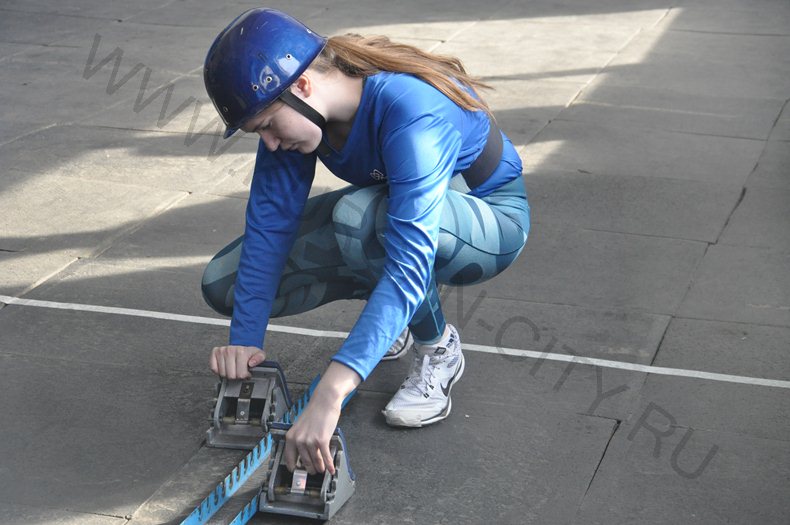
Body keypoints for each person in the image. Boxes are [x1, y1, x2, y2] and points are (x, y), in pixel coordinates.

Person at [201, 8, 529, 477]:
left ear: (301, 85)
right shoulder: (298, 119)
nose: (268, 142)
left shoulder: (410, 108)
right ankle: (390, 319)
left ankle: (438, 348)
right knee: (224, 285)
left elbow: (410, 258)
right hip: (397, 213)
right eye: (259, 133)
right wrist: (245, 342)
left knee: (361, 220)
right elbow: (269, 225)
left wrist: (330, 394)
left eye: (268, 125)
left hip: (489, 217)